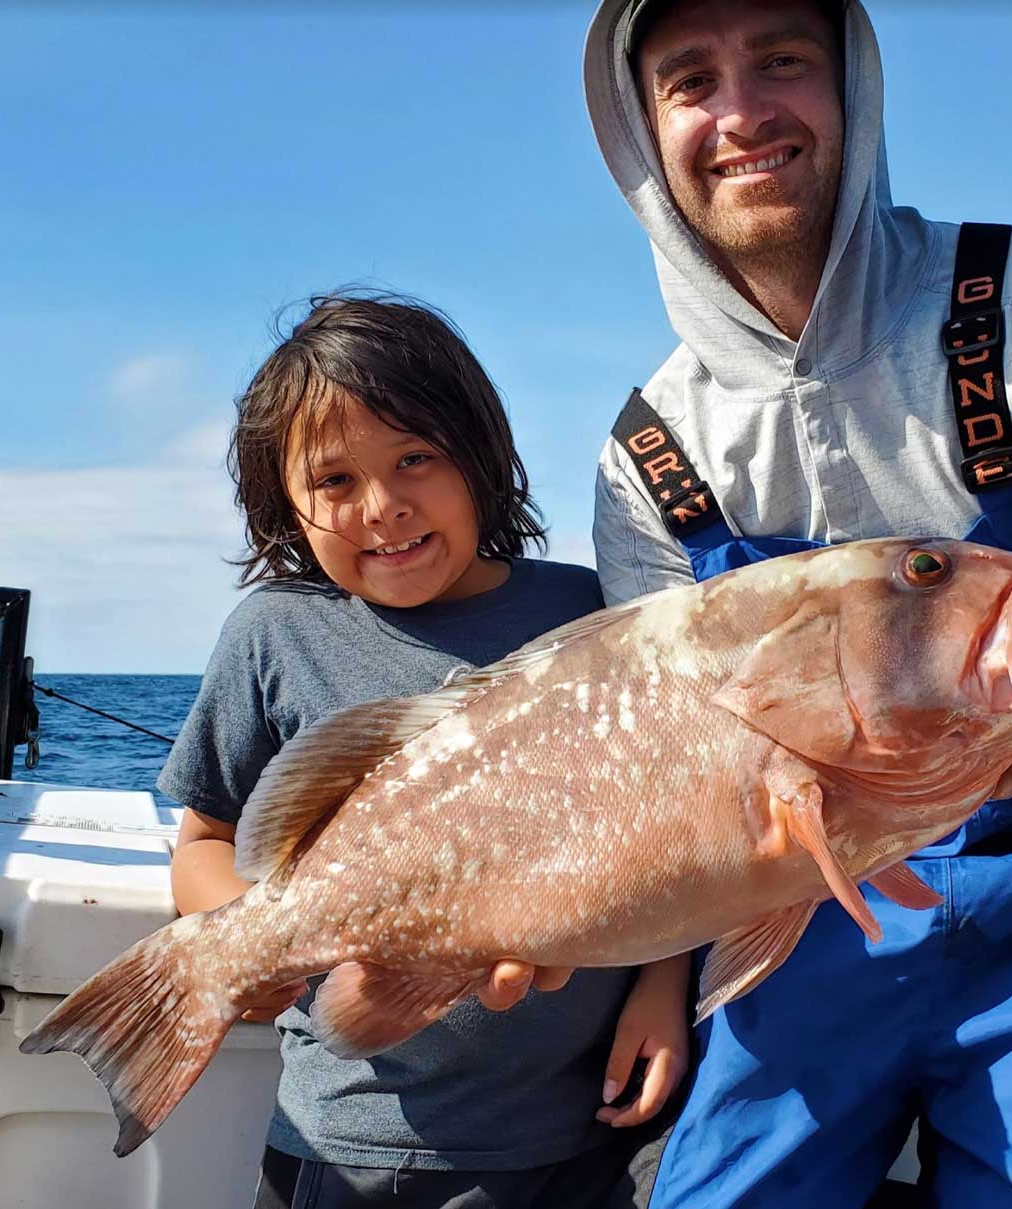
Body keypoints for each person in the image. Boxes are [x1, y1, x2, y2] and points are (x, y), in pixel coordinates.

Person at [582, 0, 1012, 1206]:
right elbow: (664, 783)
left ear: (855, 84)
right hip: (808, 911)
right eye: (692, 80)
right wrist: (599, 939)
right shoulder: (644, 454)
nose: (743, 113)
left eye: (785, 62)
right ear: (644, 133)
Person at [158, 294, 689, 1209]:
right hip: (351, 1135)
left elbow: (672, 830)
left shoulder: (591, 614)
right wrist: (258, 942)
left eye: (416, 458)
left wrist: (663, 985)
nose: (384, 507)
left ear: (477, 457)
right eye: (333, 482)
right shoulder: (275, 635)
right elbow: (206, 836)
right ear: (283, 501)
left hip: (584, 1130)